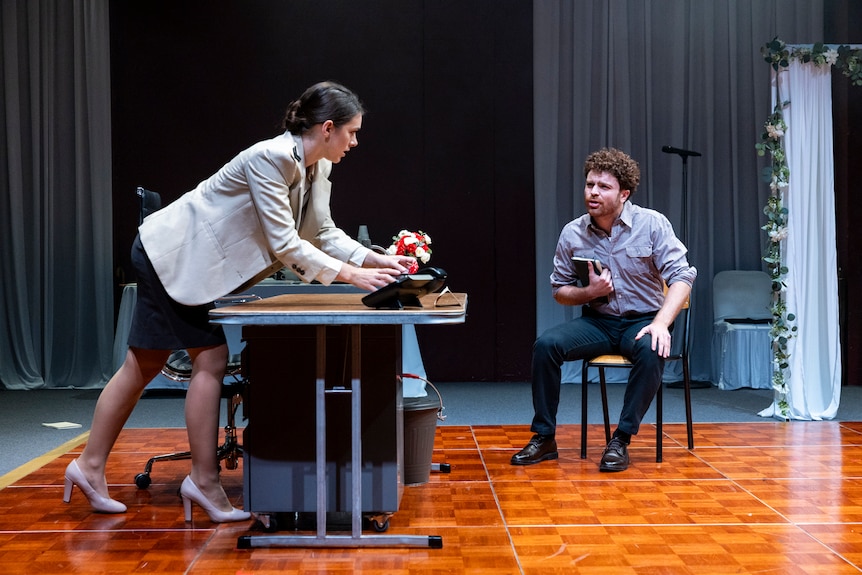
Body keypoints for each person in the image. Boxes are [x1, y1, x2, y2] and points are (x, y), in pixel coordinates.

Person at [63, 82, 416, 521]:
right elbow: (286, 243)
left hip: (176, 260)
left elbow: (322, 232)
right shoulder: (268, 158)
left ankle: (88, 466)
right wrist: (350, 274)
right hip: (173, 256)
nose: (355, 141)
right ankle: (203, 483)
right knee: (209, 358)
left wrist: (377, 260)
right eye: (352, 132)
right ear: (328, 128)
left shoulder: (316, 168)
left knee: (143, 364)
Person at [511, 147, 696, 472]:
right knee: (546, 346)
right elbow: (560, 291)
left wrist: (661, 324)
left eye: (603, 187)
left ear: (624, 193)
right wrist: (588, 292)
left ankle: (620, 439)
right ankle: (544, 437)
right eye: (589, 185)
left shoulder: (651, 224)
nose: (593, 192)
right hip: (598, 322)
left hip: (642, 321)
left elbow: (682, 277)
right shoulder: (573, 232)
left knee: (653, 349)